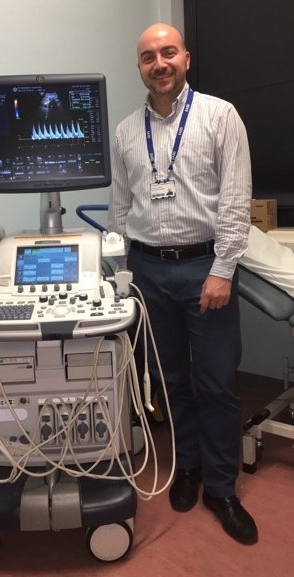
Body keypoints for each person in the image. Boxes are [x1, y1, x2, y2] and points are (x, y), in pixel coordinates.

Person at [108, 22, 258, 545]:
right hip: (149, 271)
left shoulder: (220, 116)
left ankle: (221, 487)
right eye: (149, 56)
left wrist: (221, 270)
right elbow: (120, 209)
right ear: (141, 67)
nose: (159, 63)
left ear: (186, 58)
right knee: (170, 382)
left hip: (204, 268)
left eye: (168, 52)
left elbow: (236, 203)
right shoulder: (127, 131)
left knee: (215, 383)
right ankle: (188, 467)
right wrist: (123, 273)